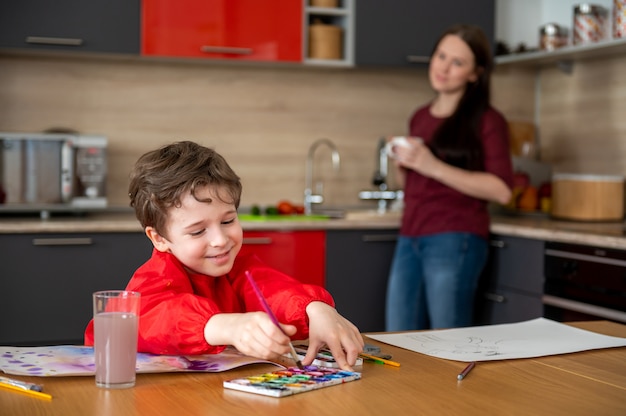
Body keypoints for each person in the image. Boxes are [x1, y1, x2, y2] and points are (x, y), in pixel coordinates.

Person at [84, 141, 363, 370]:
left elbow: (274, 291)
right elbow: (146, 319)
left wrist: (314, 308)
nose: (220, 240)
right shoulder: (155, 276)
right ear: (159, 239)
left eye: (228, 221)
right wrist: (223, 326)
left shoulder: (239, 267)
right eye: (197, 232)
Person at [385, 24, 514, 331]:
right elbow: (413, 186)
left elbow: (502, 190)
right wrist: (403, 161)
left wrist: (432, 165)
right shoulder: (420, 116)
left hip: (455, 238)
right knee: (398, 338)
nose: (443, 67)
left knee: (449, 339)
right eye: (441, 56)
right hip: (410, 236)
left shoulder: (488, 120)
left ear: (475, 74)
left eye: (457, 62)